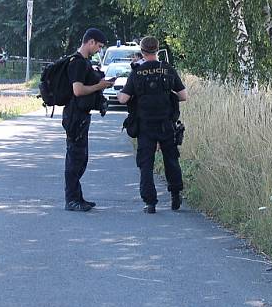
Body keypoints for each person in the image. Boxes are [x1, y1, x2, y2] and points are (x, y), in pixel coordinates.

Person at [118, 36, 187, 214]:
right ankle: (175, 195)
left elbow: (124, 98)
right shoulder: (168, 70)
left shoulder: (137, 73)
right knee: (171, 160)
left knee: (146, 164)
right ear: (157, 50)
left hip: (145, 126)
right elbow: (183, 95)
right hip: (167, 124)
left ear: (142, 51)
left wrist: (120, 94)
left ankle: (150, 203)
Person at [62, 28, 115, 212]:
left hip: (81, 115)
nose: (99, 50)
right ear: (90, 42)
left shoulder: (84, 62)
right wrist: (99, 85)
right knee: (75, 158)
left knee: (81, 158)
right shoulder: (77, 63)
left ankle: (78, 197)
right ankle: (71, 200)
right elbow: (77, 90)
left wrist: (101, 83)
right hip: (75, 116)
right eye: (99, 46)